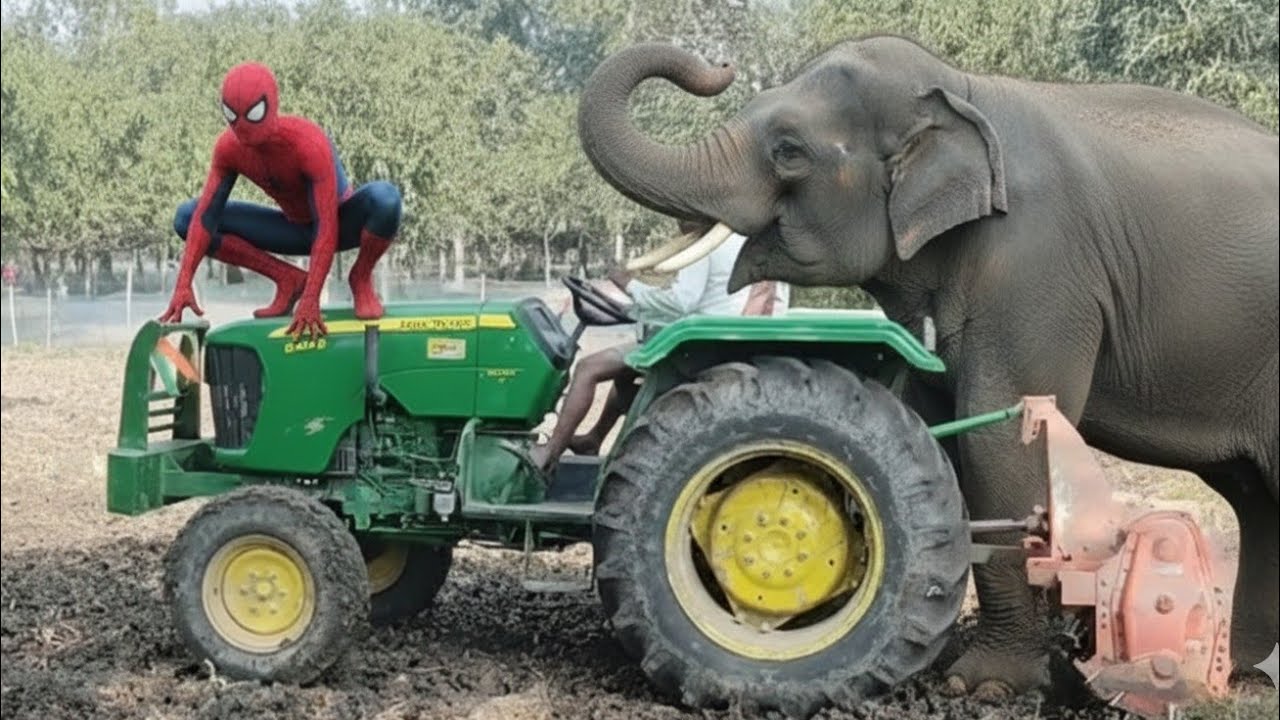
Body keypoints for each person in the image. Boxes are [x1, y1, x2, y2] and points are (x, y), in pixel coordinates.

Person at [159, 62, 402, 338]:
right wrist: (183, 283)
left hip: (340, 222)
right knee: (186, 218)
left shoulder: (308, 143)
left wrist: (312, 298)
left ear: (270, 105)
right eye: (232, 115)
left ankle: (360, 277)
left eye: (253, 114)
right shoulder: (228, 149)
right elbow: (206, 216)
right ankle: (286, 278)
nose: (243, 129)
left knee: (386, 199)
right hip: (291, 227)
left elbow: (326, 224)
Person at [529, 224, 788, 473]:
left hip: (694, 346)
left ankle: (550, 450)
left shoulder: (704, 247)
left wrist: (629, 285)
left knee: (588, 368)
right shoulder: (747, 243)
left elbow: (681, 301)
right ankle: (594, 438)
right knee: (624, 378)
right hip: (712, 338)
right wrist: (631, 309)